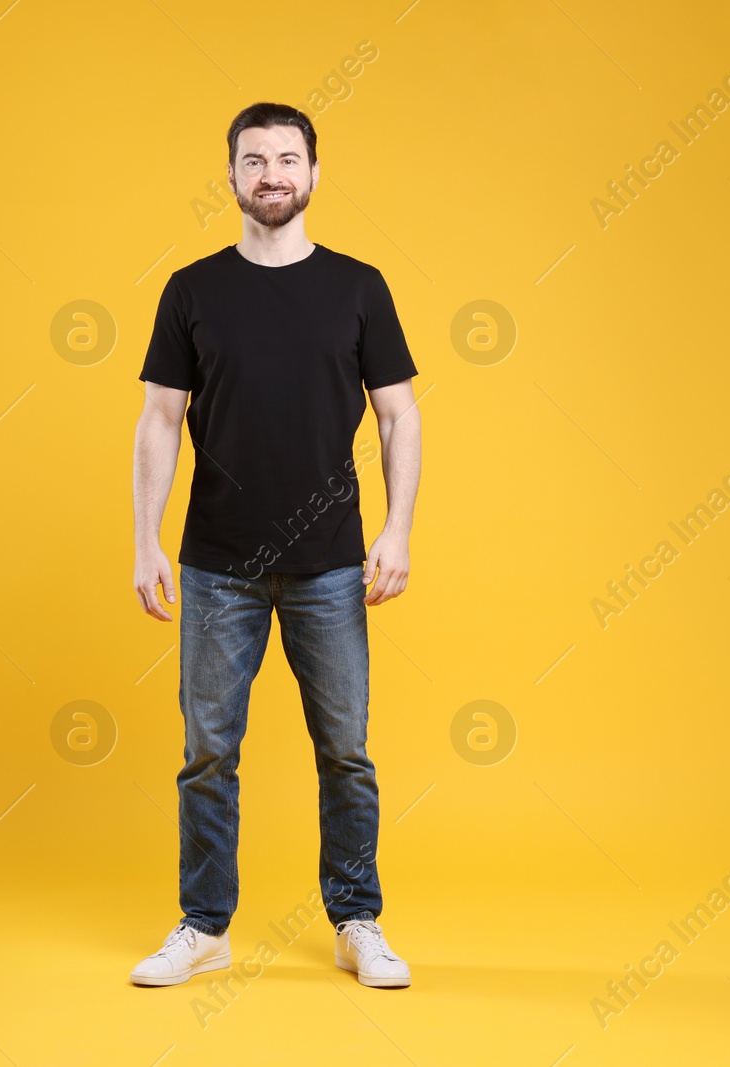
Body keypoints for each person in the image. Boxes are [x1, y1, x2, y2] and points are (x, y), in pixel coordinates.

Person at [129, 102, 422, 989]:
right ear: (229, 177)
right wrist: (145, 539)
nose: (271, 174)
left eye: (287, 159)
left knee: (346, 749)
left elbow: (400, 411)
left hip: (332, 560)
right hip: (217, 563)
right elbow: (158, 420)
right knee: (208, 752)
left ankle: (356, 919)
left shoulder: (359, 286)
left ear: (313, 175)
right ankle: (204, 925)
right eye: (253, 160)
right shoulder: (191, 289)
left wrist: (398, 527)